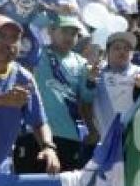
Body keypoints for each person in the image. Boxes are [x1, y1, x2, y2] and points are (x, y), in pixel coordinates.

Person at [19, 14, 96, 171]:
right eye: (65, 31)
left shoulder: (81, 63)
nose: (69, 37)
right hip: (34, 134)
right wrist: (51, 12)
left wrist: (92, 80)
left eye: (74, 33)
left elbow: (86, 100)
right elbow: (29, 25)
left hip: (69, 136)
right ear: (51, 31)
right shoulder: (37, 53)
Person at [0, 15, 59, 175]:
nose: (8, 43)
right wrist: (2, 99)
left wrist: (48, 147)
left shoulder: (23, 77)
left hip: (1, 170)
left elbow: (39, 121)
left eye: (14, 38)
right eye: (0, 36)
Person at [93, 31, 140, 137]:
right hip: (105, 140)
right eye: (117, 48)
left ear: (132, 54)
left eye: (127, 49)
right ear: (107, 52)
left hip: (133, 139)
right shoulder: (97, 73)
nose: (122, 52)